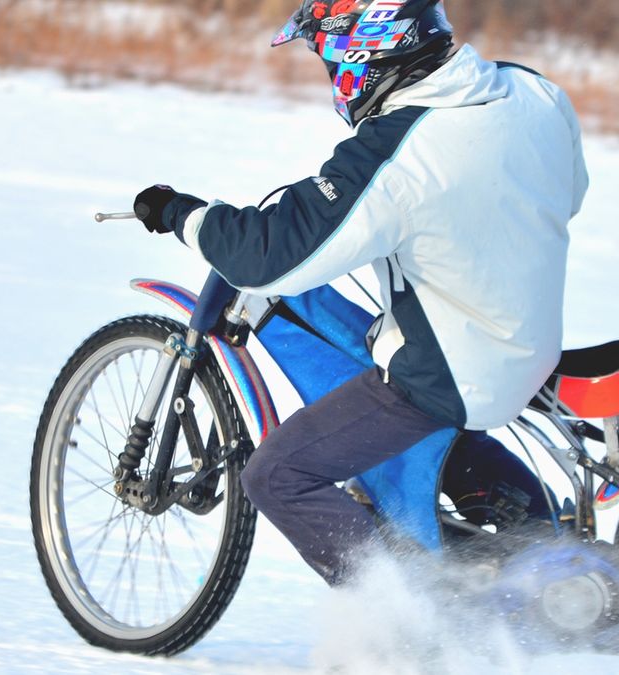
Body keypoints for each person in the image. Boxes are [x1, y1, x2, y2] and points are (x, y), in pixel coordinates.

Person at [133, 0, 587, 585]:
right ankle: (521, 539)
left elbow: (268, 259)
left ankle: (404, 619)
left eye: (327, 57)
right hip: (526, 339)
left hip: (450, 371)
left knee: (276, 475)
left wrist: (179, 213)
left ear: (362, 52)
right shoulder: (532, 91)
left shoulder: (395, 153)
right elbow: (568, 194)